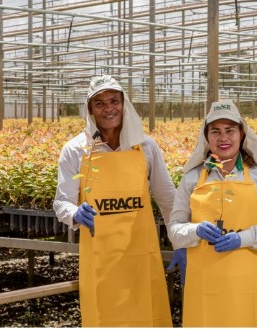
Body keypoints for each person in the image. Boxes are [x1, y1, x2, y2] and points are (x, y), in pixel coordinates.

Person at [53, 75, 175, 327]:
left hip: (141, 257)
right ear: (90, 110)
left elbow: (168, 200)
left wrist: (182, 242)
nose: (108, 108)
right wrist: (75, 214)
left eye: (114, 101)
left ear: (124, 104)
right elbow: (62, 201)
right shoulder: (76, 150)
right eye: (99, 103)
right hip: (101, 261)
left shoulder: (145, 146)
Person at [167, 100, 257, 327]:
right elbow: (174, 227)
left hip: (246, 283)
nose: (223, 138)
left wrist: (243, 238)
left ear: (242, 134)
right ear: (206, 137)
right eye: (215, 131)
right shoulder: (193, 177)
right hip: (203, 284)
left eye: (230, 130)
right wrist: (195, 230)